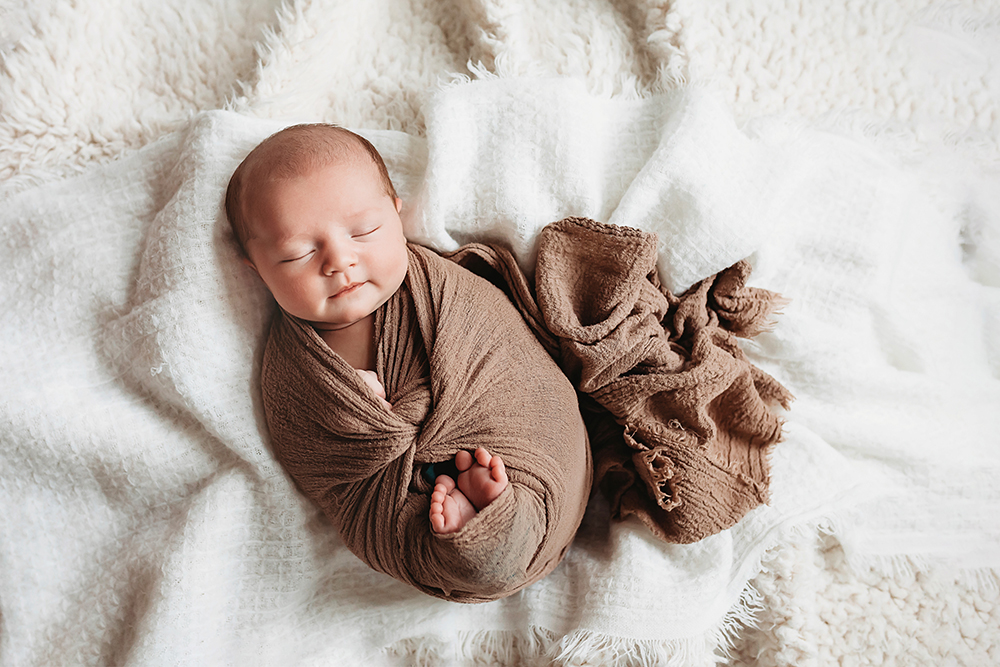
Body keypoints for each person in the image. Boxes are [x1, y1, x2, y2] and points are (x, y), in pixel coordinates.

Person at [225, 124, 523, 535]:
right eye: (298, 254)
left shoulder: (442, 292)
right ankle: (471, 527)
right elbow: (305, 451)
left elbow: (505, 353)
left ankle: (501, 514)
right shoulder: (294, 366)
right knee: (420, 535)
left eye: (364, 231)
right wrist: (349, 413)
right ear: (257, 270)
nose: (339, 261)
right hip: (398, 496)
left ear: (396, 215)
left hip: (495, 435)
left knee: (518, 483)